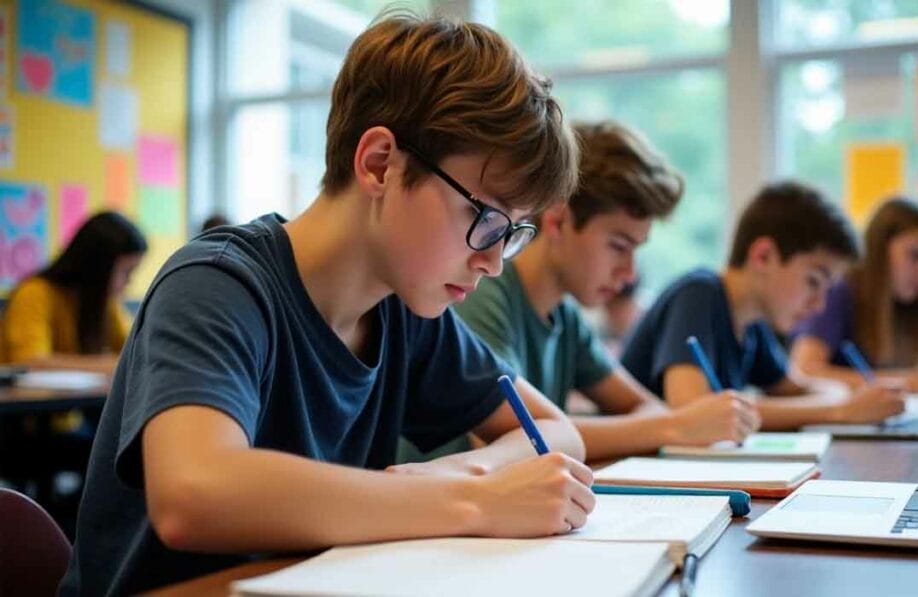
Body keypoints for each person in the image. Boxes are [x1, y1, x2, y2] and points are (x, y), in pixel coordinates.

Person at [61, 13, 594, 594]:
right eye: (485, 218)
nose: (493, 261)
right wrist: (471, 501)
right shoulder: (218, 285)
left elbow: (555, 431)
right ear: (379, 164)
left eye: (513, 232)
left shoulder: (405, 311)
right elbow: (194, 493)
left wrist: (467, 471)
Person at [440, 121, 758, 464]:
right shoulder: (483, 291)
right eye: (619, 246)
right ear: (558, 220)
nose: (629, 272)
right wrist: (676, 426)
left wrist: (668, 424)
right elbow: (510, 437)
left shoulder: (565, 315)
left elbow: (644, 406)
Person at [621, 181, 904, 430]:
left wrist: (847, 396)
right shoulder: (698, 293)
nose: (819, 305)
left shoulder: (753, 325)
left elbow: (800, 388)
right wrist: (840, 412)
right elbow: (693, 408)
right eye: (814, 282)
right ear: (764, 256)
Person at [790, 197, 918, 391]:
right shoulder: (838, 291)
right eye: (915, 255)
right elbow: (806, 370)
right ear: (879, 250)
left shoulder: (910, 303)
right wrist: (908, 381)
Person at [1, 211, 147, 374]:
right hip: (24, 398)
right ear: (98, 267)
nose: (129, 281)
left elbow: (138, 352)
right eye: (126, 272)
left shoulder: (105, 302)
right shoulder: (34, 293)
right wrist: (111, 365)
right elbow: (29, 361)